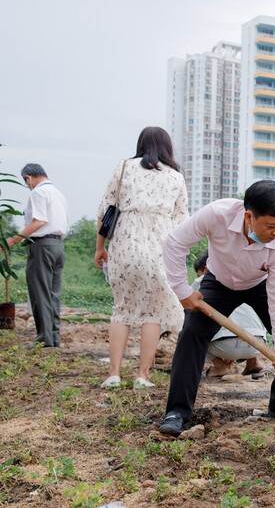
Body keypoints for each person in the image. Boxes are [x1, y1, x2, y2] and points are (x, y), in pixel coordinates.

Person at [159, 179, 275, 436]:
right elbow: (175, 243)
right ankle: (178, 412)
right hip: (220, 282)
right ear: (248, 216)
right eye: (271, 225)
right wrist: (183, 291)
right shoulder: (216, 214)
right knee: (193, 331)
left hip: (259, 284)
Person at [94, 127, 188, 390]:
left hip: (124, 244)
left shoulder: (124, 167)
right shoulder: (175, 178)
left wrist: (100, 248)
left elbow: (104, 211)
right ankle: (142, 375)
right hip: (160, 245)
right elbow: (181, 221)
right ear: (167, 148)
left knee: (121, 309)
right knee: (153, 312)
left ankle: (113, 374)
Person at [5, 164, 68, 348]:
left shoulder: (38, 193)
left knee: (39, 292)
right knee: (52, 293)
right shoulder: (58, 194)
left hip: (42, 246)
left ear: (28, 178)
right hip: (58, 245)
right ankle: (54, 337)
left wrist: (15, 240)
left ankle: (43, 338)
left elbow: (39, 221)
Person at [191, 251, 267, 378]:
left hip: (224, 345)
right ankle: (253, 361)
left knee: (193, 328)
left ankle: (219, 365)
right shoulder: (250, 278)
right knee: (250, 317)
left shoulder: (202, 282)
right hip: (258, 344)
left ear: (206, 268)